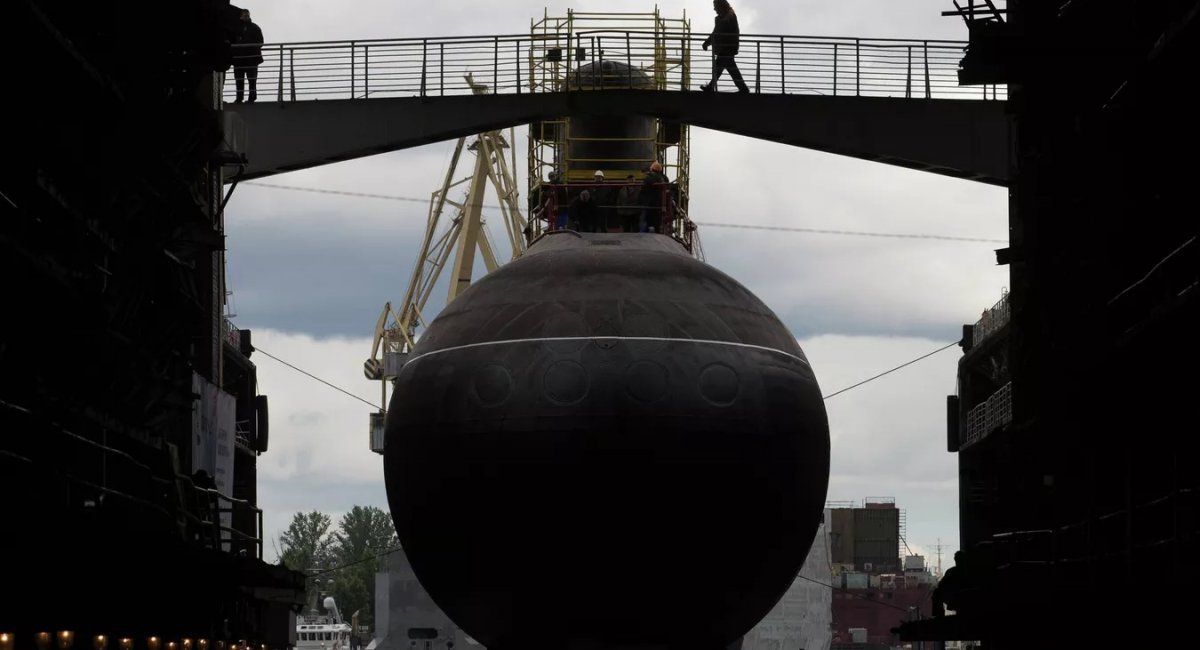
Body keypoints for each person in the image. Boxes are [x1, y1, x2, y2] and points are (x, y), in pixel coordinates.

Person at [699, 0, 749, 94]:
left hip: (726, 49)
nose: (714, 9)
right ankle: (743, 89)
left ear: (720, 6)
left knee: (720, 69)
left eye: (715, 6)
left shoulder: (727, 17)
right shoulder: (727, 16)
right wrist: (707, 43)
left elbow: (717, 33)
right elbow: (716, 33)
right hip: (726, 48)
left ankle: (710, 87)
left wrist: (707, 43)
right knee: (730, 69)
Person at [232, 9, 264, 103]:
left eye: (247, 15)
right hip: (239, 58)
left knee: (252, 80)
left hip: (251, 58)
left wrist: (247, 46)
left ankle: (251, 98)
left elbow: (260, 42)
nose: (246, 17)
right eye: (244, 15)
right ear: (241, 16)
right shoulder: (236, 28)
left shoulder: (255, 28)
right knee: (239, 80)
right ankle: (239, 98)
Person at [640, 161, 670, 232]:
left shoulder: (651, 178)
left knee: (646, 219)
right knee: (657, 220)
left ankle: (645, 231)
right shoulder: (664, 178)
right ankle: (657, 230)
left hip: (650, 202)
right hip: (659, 203)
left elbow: (645, 185)